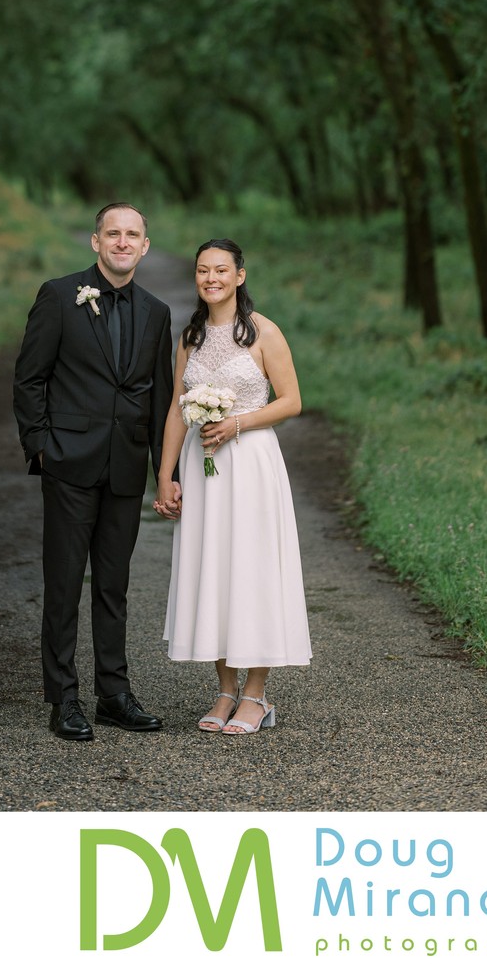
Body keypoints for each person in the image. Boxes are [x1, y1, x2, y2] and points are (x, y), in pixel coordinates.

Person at [13, 202, 173, 741]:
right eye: (113, 234)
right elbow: (29, 378)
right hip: (68, 462)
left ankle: (114, 694)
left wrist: (164, 471)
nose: (123, 242)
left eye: (133, 235)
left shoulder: (155, 311)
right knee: (63, 584)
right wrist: (40, 447)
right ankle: (63, 698)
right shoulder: (60, 296)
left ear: (145, 246)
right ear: (96, 241)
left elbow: (160, 399)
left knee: (113, 585)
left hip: (125, 467)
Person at [153, 238, 311, 734]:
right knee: (215, 569)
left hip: (252, 464)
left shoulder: (264, 332)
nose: (211, 278)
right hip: (204, 473)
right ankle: (224, 691)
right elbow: (179, 410)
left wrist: (238, 424)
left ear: (240, 276)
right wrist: (166, 474)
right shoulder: (191, 337)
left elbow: (291, 401)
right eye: (203, 271)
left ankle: (257, 696)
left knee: (252, 569)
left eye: (222, 270)